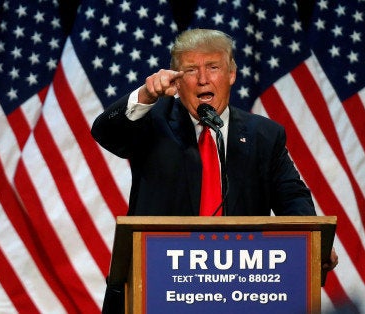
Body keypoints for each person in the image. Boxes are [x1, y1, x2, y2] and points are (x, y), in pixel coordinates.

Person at [91, 28, 338, 313]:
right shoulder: (152, 123)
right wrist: (146, 94)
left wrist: (312, 242)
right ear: (176, 81)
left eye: (213, 67)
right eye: (191, 70)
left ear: (231, 74)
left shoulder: (264, 136)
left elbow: (292, 198)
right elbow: (105, 131)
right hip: (159, 286)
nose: (203, 79)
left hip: (239, 289)